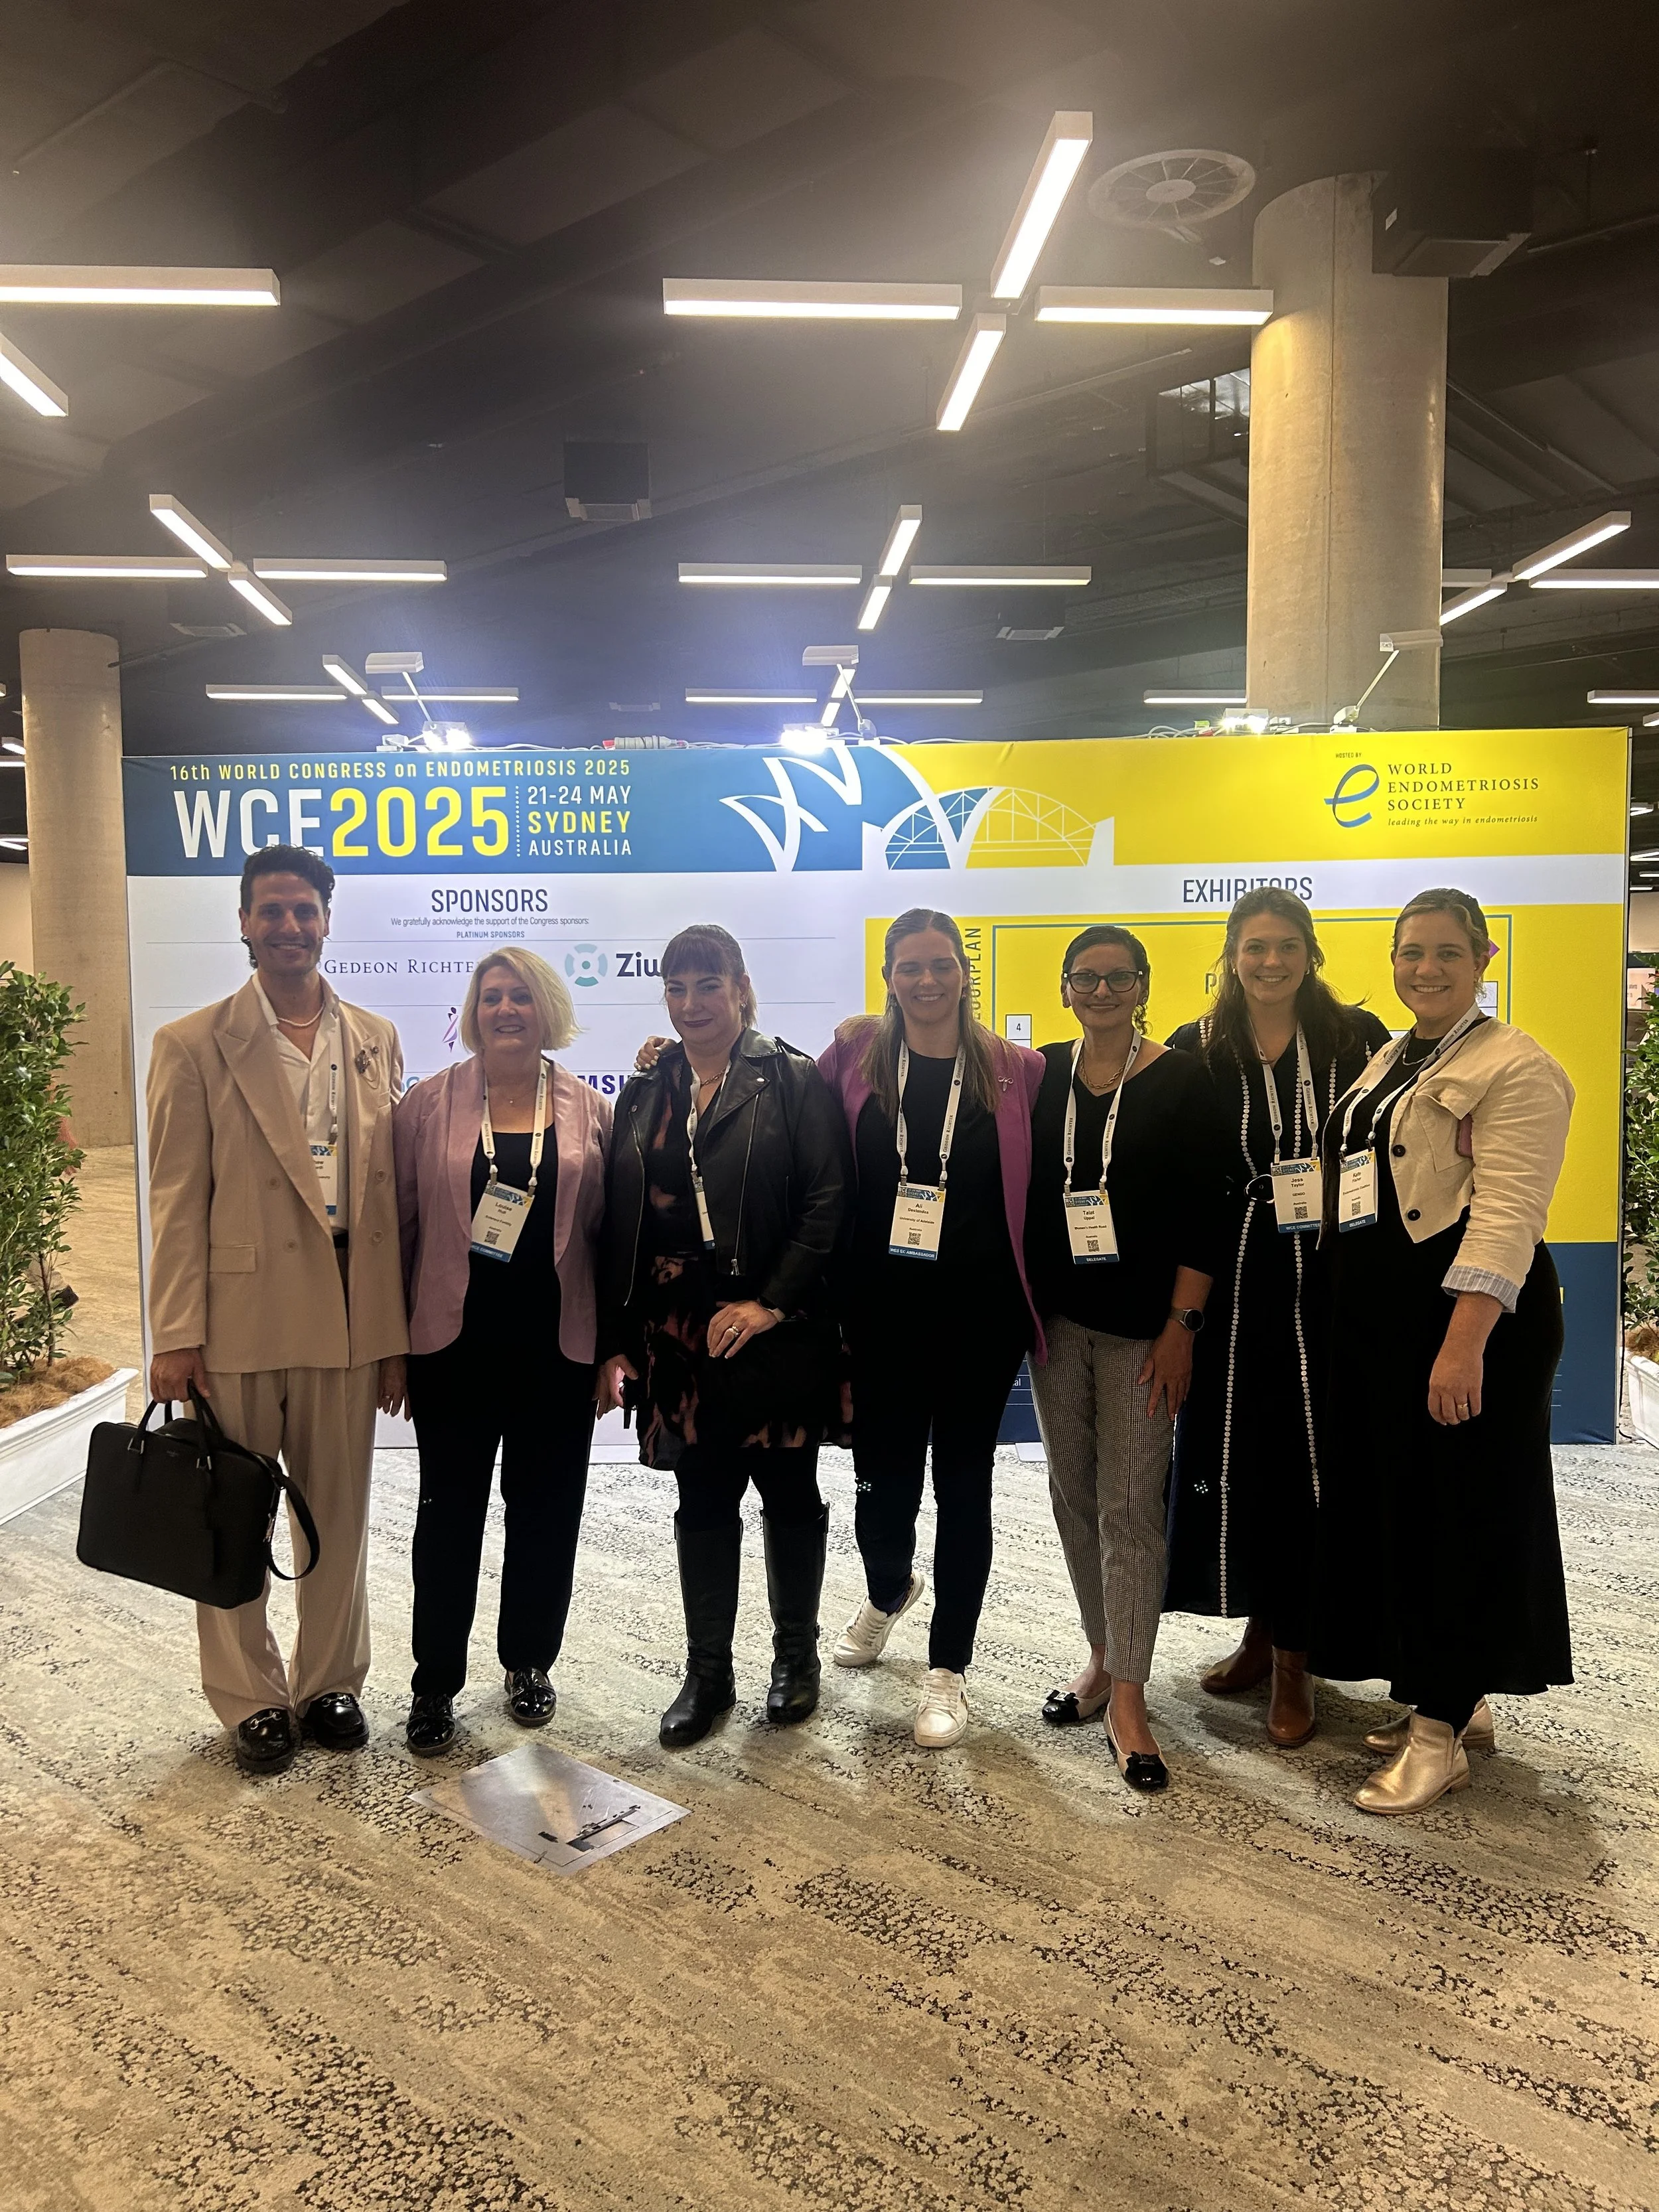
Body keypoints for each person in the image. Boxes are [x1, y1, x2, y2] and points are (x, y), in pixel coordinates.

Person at [145, 845, 407, 1777]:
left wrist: (395, 1339)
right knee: (233, 1514)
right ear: (245, 923)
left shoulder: (375, 1037)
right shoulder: (192, 1042)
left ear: (328, 919)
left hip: (348, 1315)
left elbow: (384, 1203)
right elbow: (176, 1197)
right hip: (240, 1320)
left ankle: (329, 1679)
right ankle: (252, 1696)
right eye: (272, 911)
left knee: (337, 1512)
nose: (290, 926)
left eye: (306, 909)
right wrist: (174, 1334)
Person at [1315, 889, 1575, 1814]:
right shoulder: (1398, 1053)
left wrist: (1464, 1345)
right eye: (1409, 952)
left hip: (1469, 1325)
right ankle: (1455, 1698)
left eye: (1445, 953)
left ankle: (1437, 1739)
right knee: (1413, 1511)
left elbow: (1507, 1217)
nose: (1424, 968)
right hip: (1387, 1321)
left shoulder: (1518, 1066)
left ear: (1484, 957)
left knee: (1459, 1514)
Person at [595, 925, 850, 1749]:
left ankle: (795, 1660)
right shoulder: (647, 1085)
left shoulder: (794, 1078)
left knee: (787, 1492)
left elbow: (825, 1203)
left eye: (708, 985)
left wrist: (770, 1303)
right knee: (701, 1498)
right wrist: (622, 1333)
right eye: (676, 988)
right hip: (679, 1338)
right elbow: (621, 1220)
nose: (692, 1004)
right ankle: (708, 1672)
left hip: (772, 1327)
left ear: (740, 986)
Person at [1163, 890, 1391, 1747]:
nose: (1269, 961)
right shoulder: (1199, 1046)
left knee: (1313, 1459)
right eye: (1254, 947)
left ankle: (1299, 1655)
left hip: (1331, 1271)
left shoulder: (1354, 1037)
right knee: (1241, 1458)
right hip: (1232, 1276)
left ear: (1310, 952)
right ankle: (1259, 1629)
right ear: (1231, 953)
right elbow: (1183, 1174)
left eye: (1285, 945)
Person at [818, 908, 1045, 1751]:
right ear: (887, 975)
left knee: (963, 1487)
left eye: (940, 964)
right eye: (908, 967)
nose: (925, 980)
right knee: (880, 1489)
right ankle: (887, 1590)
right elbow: (774, 1111)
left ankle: (948, 1667)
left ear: (963, 972)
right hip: (876, 1316)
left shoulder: (1016, 1069)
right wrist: (662, 1063)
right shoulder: (851, 1057)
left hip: (979, 1322)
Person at [394, 948, 611, 1755]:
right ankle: (433, 1683)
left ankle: (527, 1662)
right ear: (472, 1010)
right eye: (492, 997)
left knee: (547, 1514)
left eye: (521, 996)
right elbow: (400, 1233)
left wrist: (612, 1351)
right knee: (447, 1518)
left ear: (545, 1007)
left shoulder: (591, 1110)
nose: (507, 1010)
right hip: (453, 1348)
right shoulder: (426, 1105)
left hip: (559, 1349)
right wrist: (392, 1348)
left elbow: (610, 1239)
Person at [1025, 926, 1223, 1792]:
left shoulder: (1181, 1077)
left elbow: (1206, 1214)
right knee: (1074, 1497)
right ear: (1066, 987)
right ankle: (1103, 1654)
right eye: (1086, 977)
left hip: (1148, 1331)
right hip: (1059, 1325)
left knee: (1131, 1506)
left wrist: (1184, 1323)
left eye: (1118, 977)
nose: (1101, 990)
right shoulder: (1038, 1074)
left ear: (1143, 985)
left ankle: (1132, 1697)